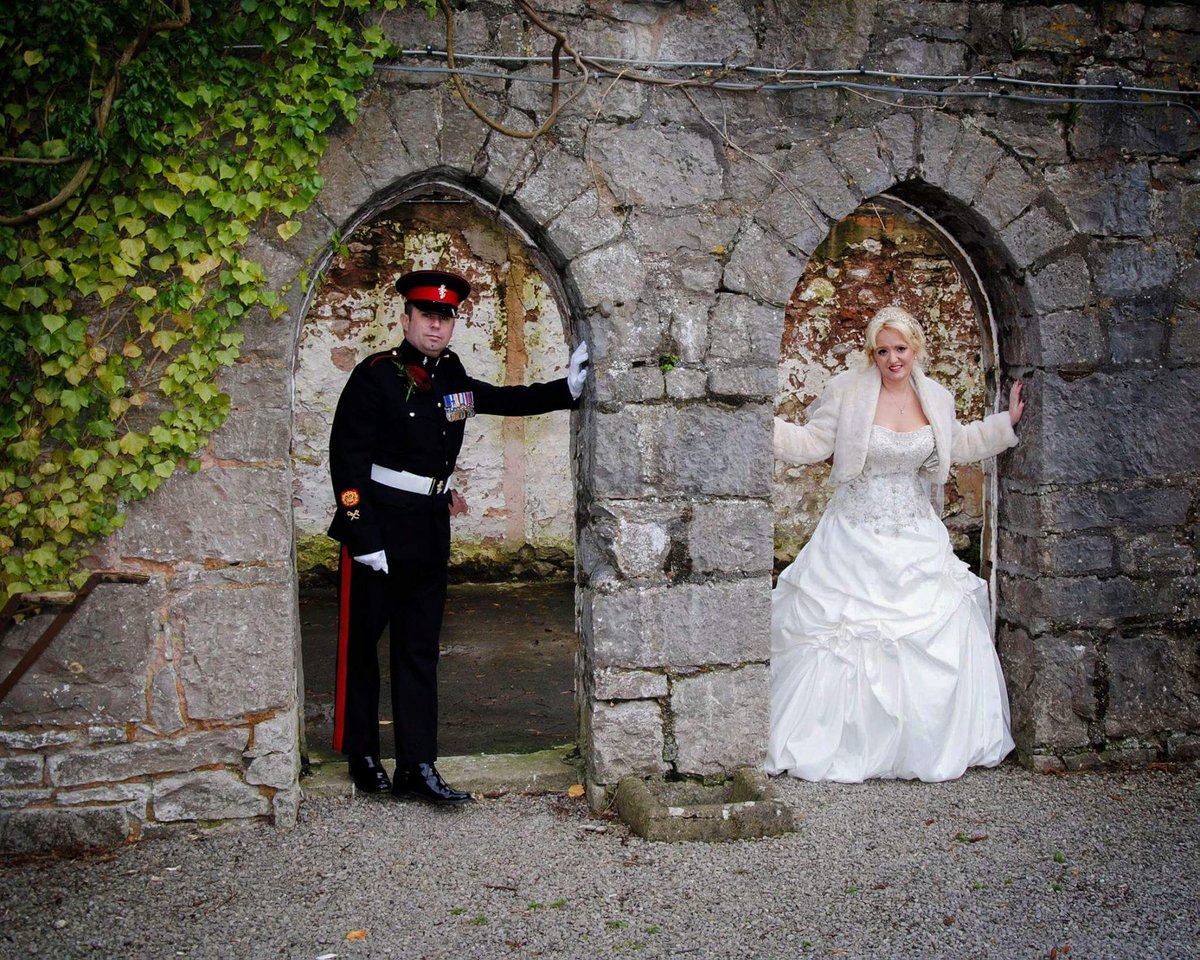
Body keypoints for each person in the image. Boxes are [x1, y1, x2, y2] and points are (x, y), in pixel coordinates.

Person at [327, 269, 589, 805]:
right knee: (361, 647)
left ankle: (417, 764)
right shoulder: (375, 375)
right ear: (406, 320)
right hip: (377, 529)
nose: (435, 327)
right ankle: (362, 754)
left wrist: (568, 389)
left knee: (419, 649)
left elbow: (502, 400)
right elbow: (346, 462)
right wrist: (362, 535)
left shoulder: (451, 378)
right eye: (427, 316)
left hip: (428, 529)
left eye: (444, 318)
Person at [767, 304, 1025, 783]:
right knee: (841, 633)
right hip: (854, 532)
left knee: (933, 626)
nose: (892, 359)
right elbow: (811, 443)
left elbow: (961, 443)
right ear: (872, 353)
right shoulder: (846, 392)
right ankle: (839, 743)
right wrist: (760, 423)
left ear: (915, 349)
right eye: (882, 350)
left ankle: (925, 743)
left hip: (914, 530)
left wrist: (1004, 424)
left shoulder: (937, 398)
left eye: (900, 349)